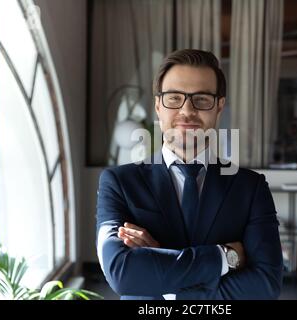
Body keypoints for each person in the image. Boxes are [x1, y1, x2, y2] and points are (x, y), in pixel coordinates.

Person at [96, 49, 283, 300]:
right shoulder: (119, 183)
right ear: (158, 106)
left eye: (202, 99)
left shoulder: (251, 187)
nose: (187, 111)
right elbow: (123, 274)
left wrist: (163, 276)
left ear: (219, 106)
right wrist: (225, 256)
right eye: (174, 98)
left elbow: (265, 286)